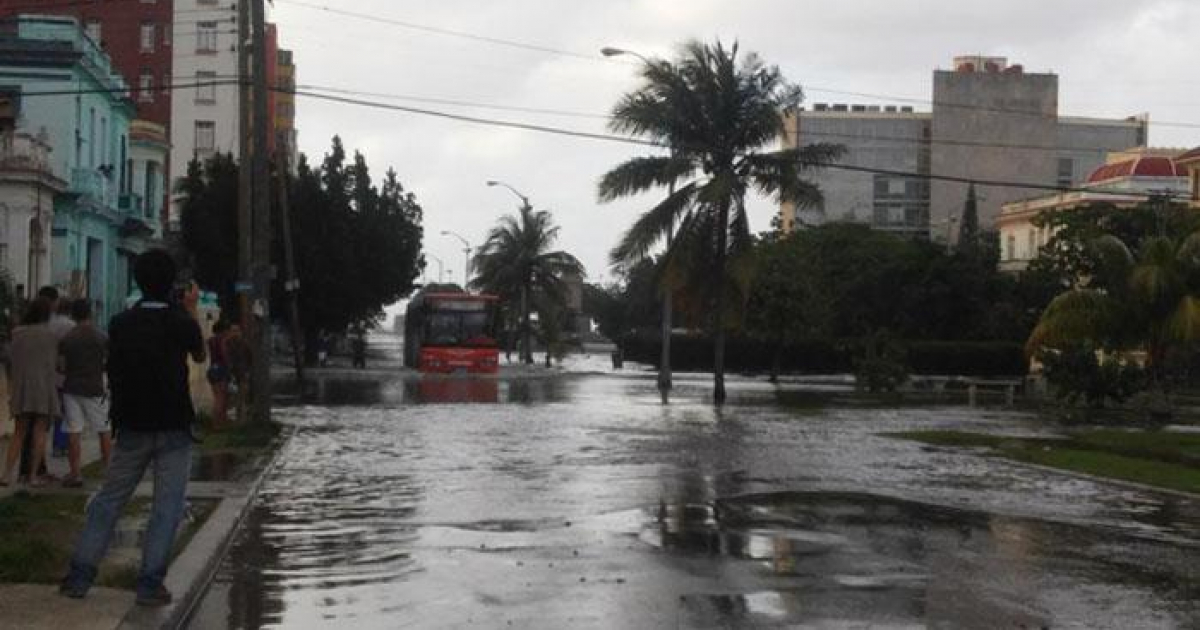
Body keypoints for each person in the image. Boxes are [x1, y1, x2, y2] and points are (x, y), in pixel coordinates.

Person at [60, 250, 205, 607]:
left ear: (138, 282)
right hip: (173, 425)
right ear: (173, 283)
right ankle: (149, 583)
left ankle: (79, 577)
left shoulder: (120, 323)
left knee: (110, 500)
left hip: (132, 425)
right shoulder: (180, 321)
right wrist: (190, 308)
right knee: (166, 506)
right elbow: (200, 355)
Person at [1, 297, 60, 487]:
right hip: (44, 387)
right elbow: (57, 362)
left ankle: (6, 474)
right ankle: (33, 475)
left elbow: (10, 359)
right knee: (40, 433)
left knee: (19, 433)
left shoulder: (17, 333)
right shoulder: (52, 335)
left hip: (22, 387)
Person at [59, 299, 111, 487]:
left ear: (73, 315)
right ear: (90, 314)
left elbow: (61, 366)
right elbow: (109, 360)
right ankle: (108, 469)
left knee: (74, 431)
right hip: (95, 387)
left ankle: (75, 473)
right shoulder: (101, 336)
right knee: (104, 429)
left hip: (72, 387)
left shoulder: (68, 338)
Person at [206, 320, 231, 426]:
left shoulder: (210, 340)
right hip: (221, 369)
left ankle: (218, 421)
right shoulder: (222, 340)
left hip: (212, 369)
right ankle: (218, 422)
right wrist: (229, 364)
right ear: (222, 330)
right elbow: (224, 354)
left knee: (217, 397)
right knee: (221, 397)